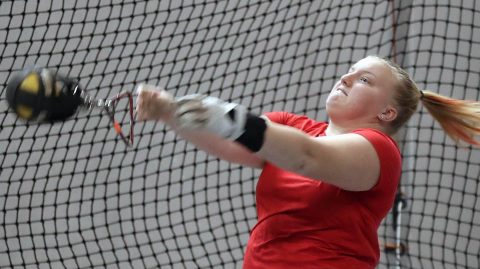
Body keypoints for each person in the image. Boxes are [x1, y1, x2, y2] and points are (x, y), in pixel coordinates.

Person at [135, 55, 480, 269]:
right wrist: (171, 112)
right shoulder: (290, 125)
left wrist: (233, 120)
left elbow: (307, 157)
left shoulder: (380, 150)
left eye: (364, 80)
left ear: (386, 112)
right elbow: (232, 146)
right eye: (350, 71)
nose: (345, 78)